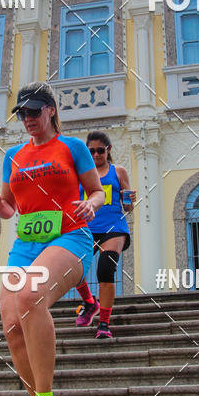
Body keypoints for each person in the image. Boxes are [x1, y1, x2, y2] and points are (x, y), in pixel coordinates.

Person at [0, 82, 104, 396]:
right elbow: (11, 208)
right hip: (26, 243)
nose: (28, 119)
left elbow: (97, 190)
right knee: (10, 323)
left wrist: (92, 204)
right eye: (22, 114)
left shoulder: (73, 147)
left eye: (34, 112)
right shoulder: (13, 157)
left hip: (69, 237)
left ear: (51, 110)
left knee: (31, 295)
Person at [73, 130, 135, 338]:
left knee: (106, 269)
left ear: (109, 150)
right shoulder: (80, 174)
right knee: (74, 270)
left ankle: (104, 324)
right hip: (86, 229)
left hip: (114, 228)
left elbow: (128, 207)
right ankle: (90, 303)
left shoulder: (118, 171)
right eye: (91, 151)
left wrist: (130, 200)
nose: (96, 155)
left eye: (100, 150)